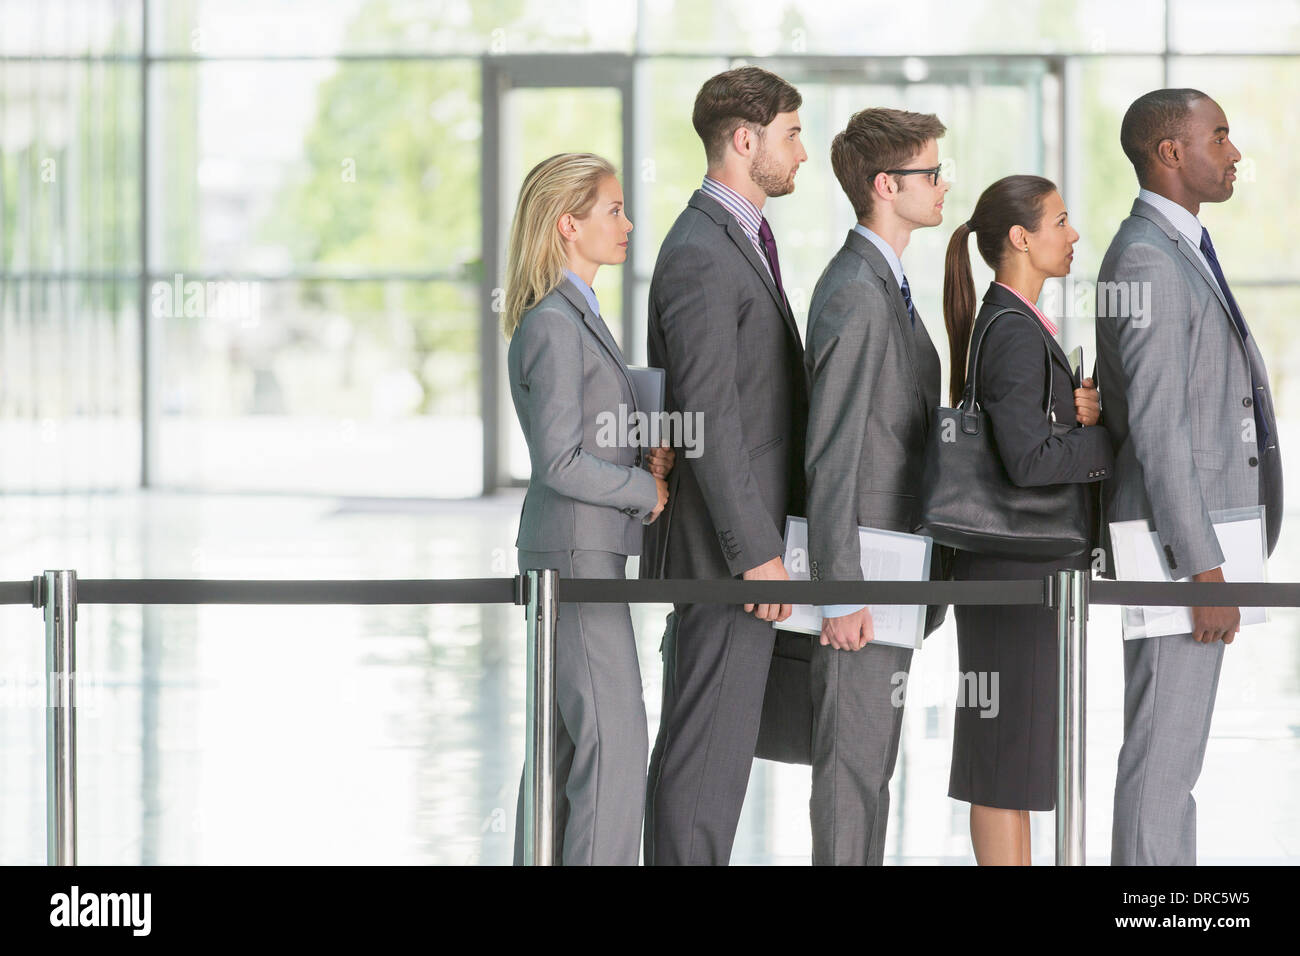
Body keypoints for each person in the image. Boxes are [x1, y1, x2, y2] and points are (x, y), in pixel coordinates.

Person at [1097, 90, 1283, 866]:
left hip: (1198, 545)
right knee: (1163, 759)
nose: (1234, 152)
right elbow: (1159, 430)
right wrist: (1201, 570)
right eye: (1220, 136)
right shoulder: (1146, 255)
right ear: (1170, 153)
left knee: (1178, 760)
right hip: (1178, 554)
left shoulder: (1179, 248)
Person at [640, 66, 810, 865]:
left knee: (719, 754)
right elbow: (708, 416)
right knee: (704, 757)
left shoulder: (737, 237)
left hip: (738, 550)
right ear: (745, 141)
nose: (802, 153)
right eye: (791, 134)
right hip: (723, 556)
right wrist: (757, 553)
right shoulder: (702, 250)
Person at [503, 152, 674, 865]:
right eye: (612, 209)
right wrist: (647, 491)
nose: (628, 223)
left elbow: (581, 439)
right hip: (572, 559)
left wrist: (642, 454)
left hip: (583, 556)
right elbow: (559, 462)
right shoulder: (552, 324)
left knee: (564, 751)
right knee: (614, 746)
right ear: (568, 224)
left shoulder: (578, 316)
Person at [942, 174, 1113, 865]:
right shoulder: (1013, 331)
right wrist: (1103, 441)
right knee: (1006, 764)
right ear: (1020, 238)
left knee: (1008, 761)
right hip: (1015, 578)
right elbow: (1029, 460)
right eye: (1060, 223)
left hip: (1009, 579)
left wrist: (1073, 413)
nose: (1073, 237)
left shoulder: (1011, 320)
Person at [803, 107, 950, 866]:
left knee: (871, 768)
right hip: (864, 570)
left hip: (889, 565)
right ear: (888, 185)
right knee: (852, 770)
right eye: (931, 172)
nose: (943, 185)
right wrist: (840, 590)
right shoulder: (857, 292)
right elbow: (832, 454)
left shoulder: (885, 283)